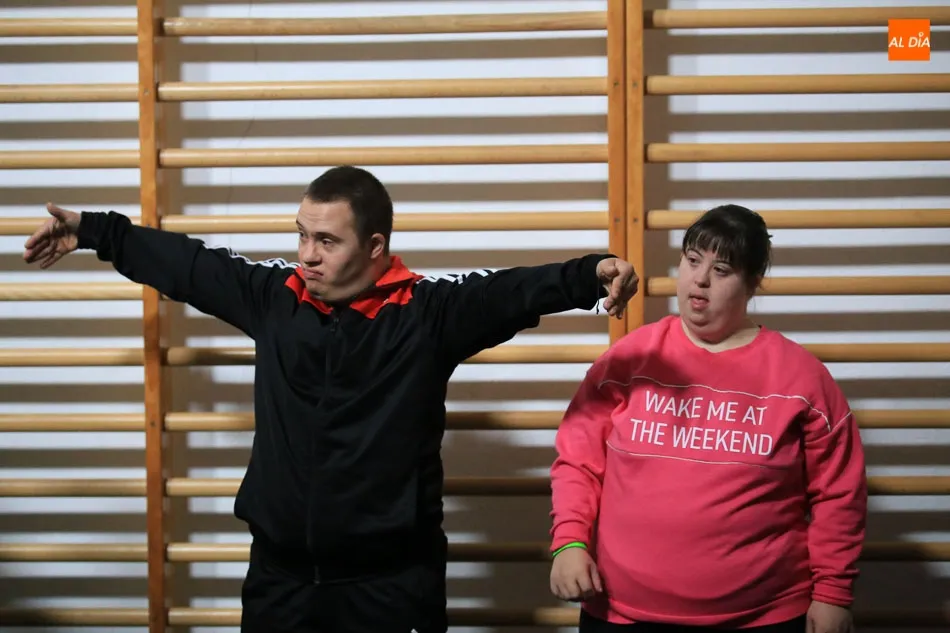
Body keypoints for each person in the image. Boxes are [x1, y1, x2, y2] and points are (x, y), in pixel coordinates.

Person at [22, 165, 640, 633]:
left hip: (392, 584)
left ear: (374, 248)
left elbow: (512, 290)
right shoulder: (277, 297)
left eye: (326, 241)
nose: (307, 255)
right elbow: (190, 265)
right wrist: (95, 231)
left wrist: (591, 274)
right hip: (280, 579)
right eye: (301, 236)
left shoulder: (428, 312)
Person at [547, 204, 867, 633]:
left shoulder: (801, 377)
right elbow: (578, 462)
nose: (700, 279)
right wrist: (569, 543)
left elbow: (839, 493)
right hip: (621, 612)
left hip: (763, 617)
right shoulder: (628, 360)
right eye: (693, 261)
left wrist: (833, 594)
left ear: (753, 282)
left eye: (722, 270)